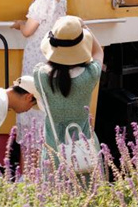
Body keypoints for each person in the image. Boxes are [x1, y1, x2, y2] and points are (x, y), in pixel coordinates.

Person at [33, 16, 103, 173]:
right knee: (89, 187)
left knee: (54, 188)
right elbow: (98, 52)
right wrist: (85, 27)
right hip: (85, 154)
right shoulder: (90, 75)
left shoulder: (39, 75)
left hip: (53, 153)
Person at [11, 0, 65, 147]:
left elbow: (28, 30)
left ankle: (32, 149)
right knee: (47, 101)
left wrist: (19, 24)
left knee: (31, 98)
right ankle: (48, 144)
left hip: (36, 57)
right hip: (52, 57)